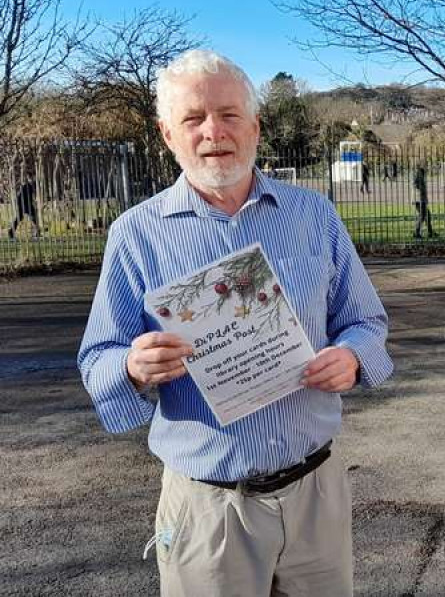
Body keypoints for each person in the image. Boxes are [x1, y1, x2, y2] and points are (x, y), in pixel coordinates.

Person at [77, 50, 393, 596]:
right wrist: (131, 366)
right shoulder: (136, 234)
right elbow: (97, 355)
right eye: (193, 118)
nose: (213, 132)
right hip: (209, 506)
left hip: (315, 493)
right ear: (167, 134)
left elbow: (365, 320)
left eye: (227, 114)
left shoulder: (312, 214)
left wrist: (355, 356)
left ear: (255, 125)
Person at [412, 164, 436, 238]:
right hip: (419, 200)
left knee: (427, 215)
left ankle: (430, 232)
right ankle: (417, 232)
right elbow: (415, 185)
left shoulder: (420, 177)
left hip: (422, 200)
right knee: (423, 216)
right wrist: (421, 188)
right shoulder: (418, 177)